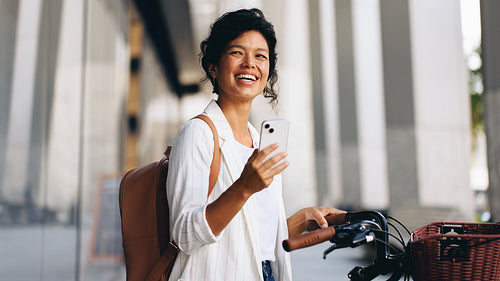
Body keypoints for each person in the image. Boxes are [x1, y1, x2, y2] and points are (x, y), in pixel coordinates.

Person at [166, 8, 344, 281]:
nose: (250, 63)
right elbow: (185, 234)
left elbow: (247, 237)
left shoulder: (260, 143)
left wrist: (302, 220)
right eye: (237, 52)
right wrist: (243, 187)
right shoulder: (197, 133)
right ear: (213, 65)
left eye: (260, 56)